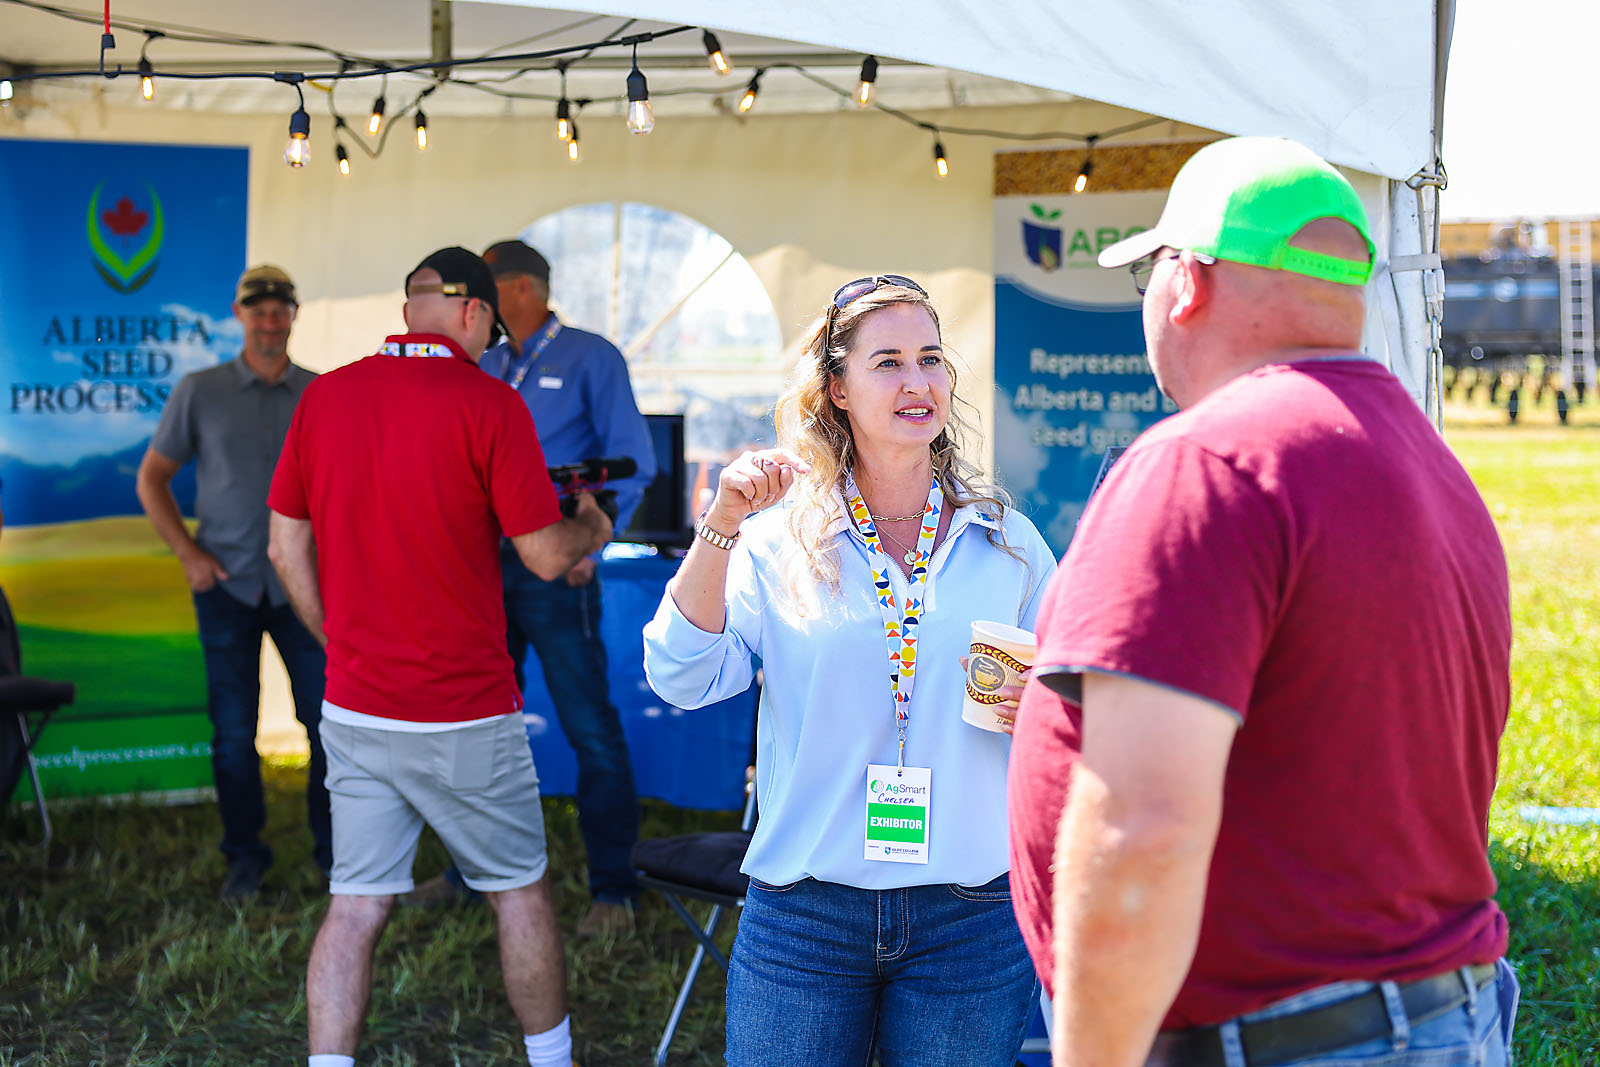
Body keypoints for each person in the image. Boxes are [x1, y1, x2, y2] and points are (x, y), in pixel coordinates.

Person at [1006, 137, 1517, 1067]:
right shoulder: (1432, 468)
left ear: (1188, 283)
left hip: (1282, 1039)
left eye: (1147, 277)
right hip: (1427, 1017)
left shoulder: (1205, 463)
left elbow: (1139, 833)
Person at [644, 275, 1057, 1066]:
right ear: (836, 387)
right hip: (805, 913)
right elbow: (682, 675)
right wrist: (721, 525)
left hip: (969, 918)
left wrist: (1044, 700)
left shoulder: (1006, 542)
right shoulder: (776, 539)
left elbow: (1066, 708)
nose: (917, 381)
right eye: (889, 361)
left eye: (931, 358)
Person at [266, 247, 612, 1067]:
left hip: (354, 704)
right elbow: (540, 554)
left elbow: (284, 548)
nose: (494, 345)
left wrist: (339, 644)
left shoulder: (324, 396)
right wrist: (593, 526)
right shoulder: (491, 404)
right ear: (469, 310)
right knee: (519, 888)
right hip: (467, 709)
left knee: (354, 905)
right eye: (492, 330)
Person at [408, 238, 656, 937]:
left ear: (522, 287)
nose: (474, 298)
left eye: (487, 284)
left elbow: (632, 461)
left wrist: (596, 538)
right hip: (479, 570)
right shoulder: (481, 360)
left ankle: (615, 888)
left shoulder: (590, 355)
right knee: (478, 722)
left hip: (556, 566)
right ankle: (466, 872)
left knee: (589, 726)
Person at [136, 264, 330, 900]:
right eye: (259, 309)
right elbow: (153, 478)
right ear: (240, 315)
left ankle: (338, 857)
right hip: (227, 586)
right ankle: (245, 857)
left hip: (307, 590)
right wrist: (189, 555)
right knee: (233, 734)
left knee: (327, 726)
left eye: (281, 308)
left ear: (294, 315)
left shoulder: (323, 393)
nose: (270, 320)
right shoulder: (200, 390)